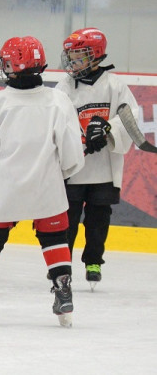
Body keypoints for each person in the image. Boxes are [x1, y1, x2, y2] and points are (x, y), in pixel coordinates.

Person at [0, 36, 84, 327]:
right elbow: (71, 155)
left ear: (16, 65)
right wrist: (55, 175)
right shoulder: (58, 100)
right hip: (46, 189)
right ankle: (63, 291)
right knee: (55, 238)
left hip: (5, 190)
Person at [56, 28, 139, 288]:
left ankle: (93, 261)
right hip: (73, 169)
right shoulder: (65, 86)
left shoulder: (115, 85)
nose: (72, 62)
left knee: (98, 220)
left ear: (96, 55)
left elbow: (131, 117)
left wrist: (108, 129)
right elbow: (55, 119)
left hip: (104, 170)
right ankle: (61, 263)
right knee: (66, 218)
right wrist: (78, 138)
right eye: (71, 56)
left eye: (79, 55)